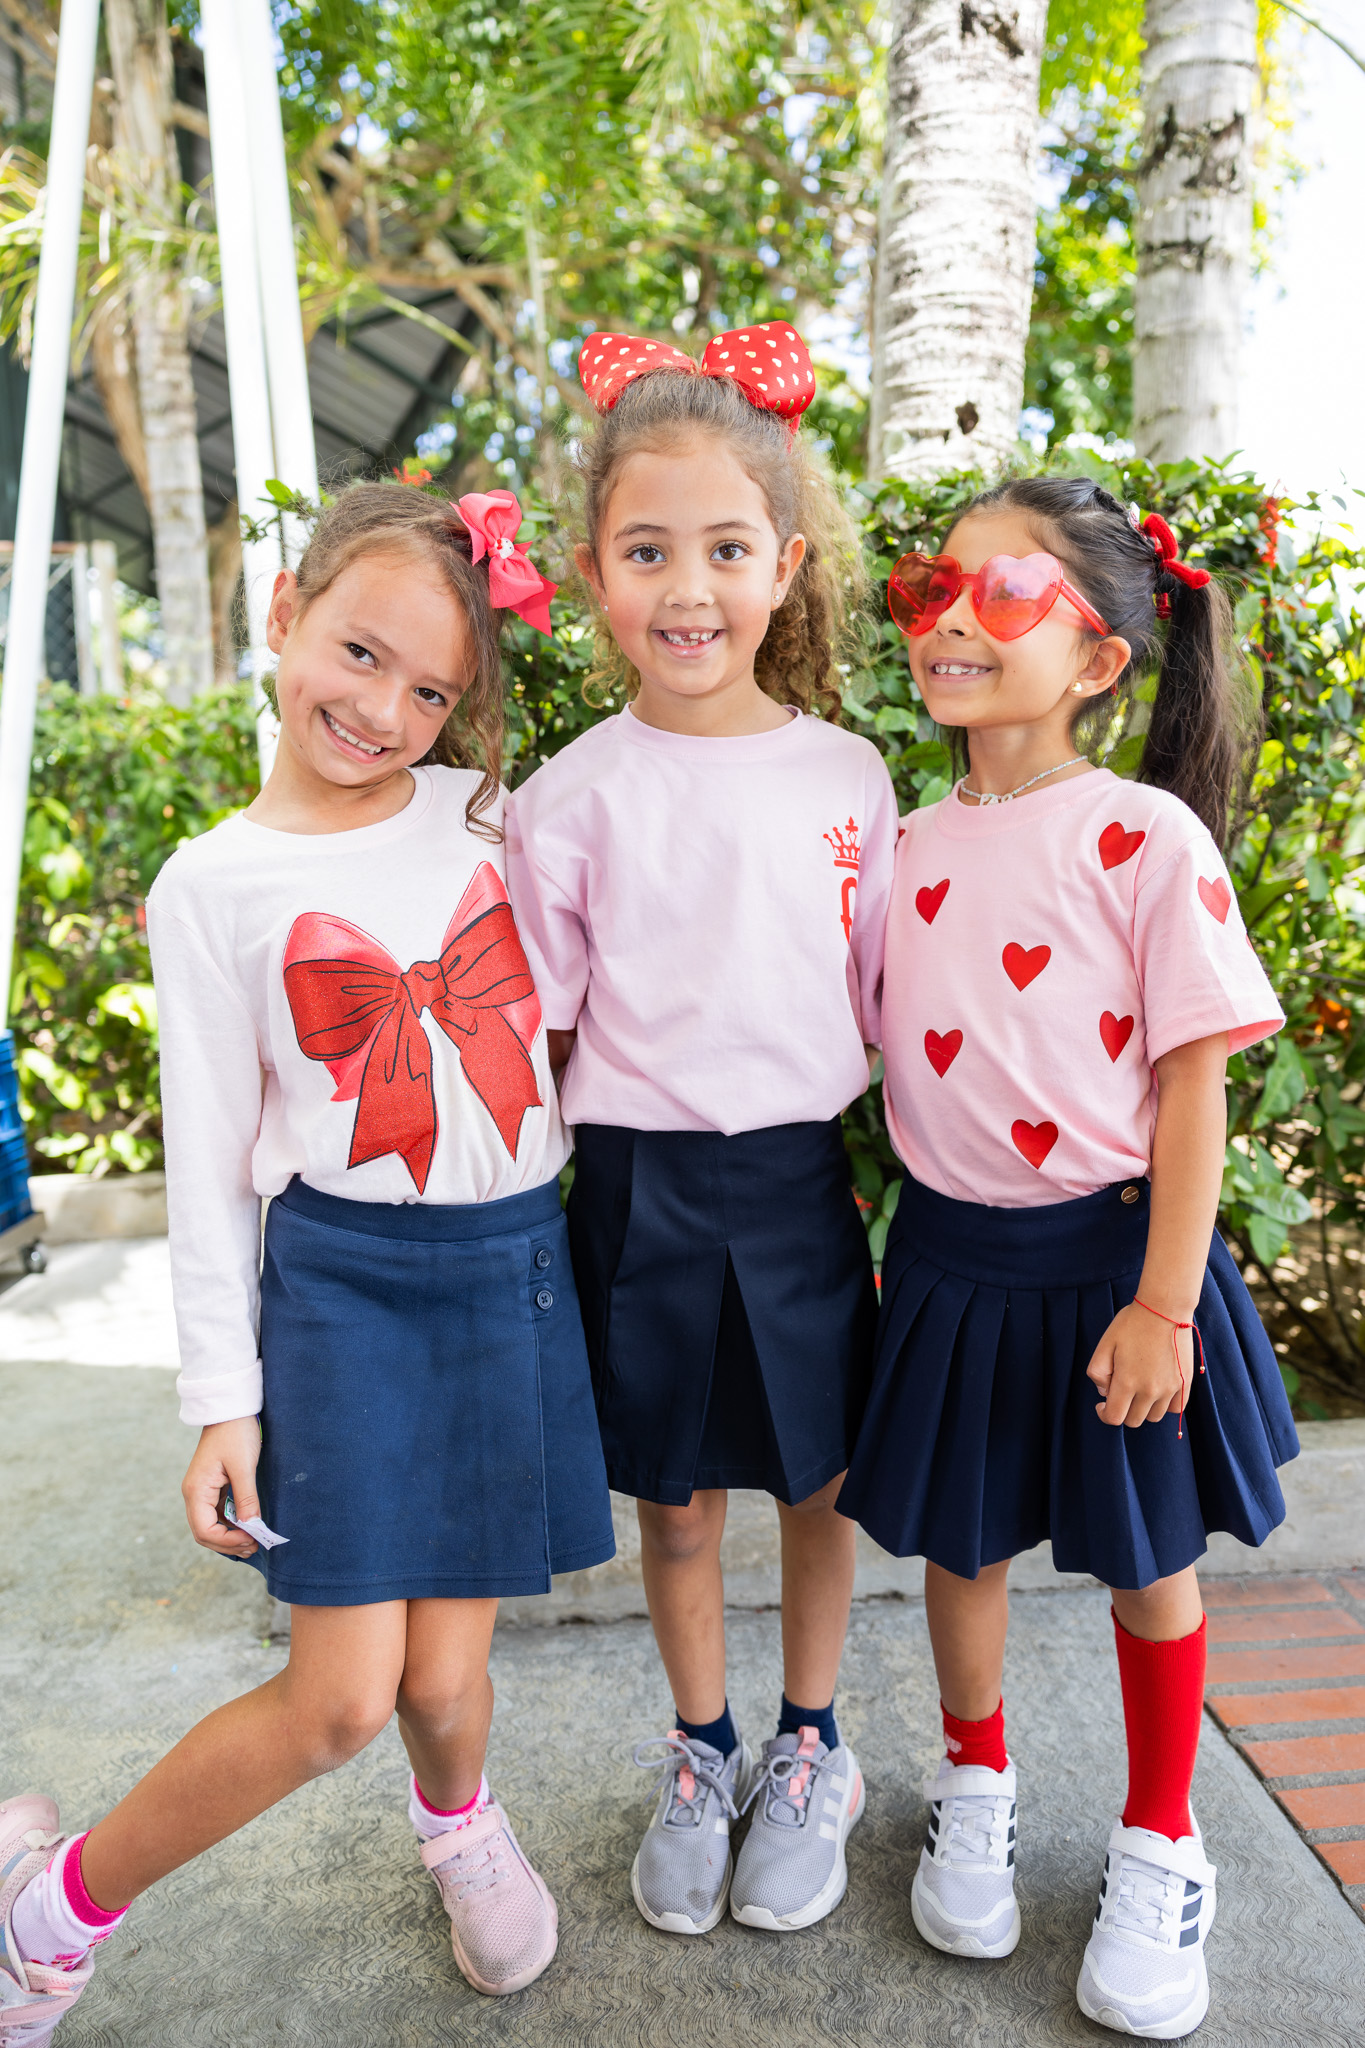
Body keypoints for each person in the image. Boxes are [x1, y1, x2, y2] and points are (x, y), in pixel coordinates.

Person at [0, 482, 614, 2036]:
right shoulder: (212, 885)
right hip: (343, 1294)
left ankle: (458, 1823)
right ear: (284, 613)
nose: (385, 711)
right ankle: (47, 1912)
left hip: (509, 1273)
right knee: (341, 1699)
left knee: (444, 1676)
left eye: (432, 692)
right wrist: (223, 1399)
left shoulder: (488, 817)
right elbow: (210, 1161)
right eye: (359, 654)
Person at [837, 476, 1298, 2039]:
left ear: (1098, 657)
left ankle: (1162, 1839)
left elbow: (1192, 1081)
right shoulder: (897, 846)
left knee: (1147, 1562)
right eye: (932, 588)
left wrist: (1165, 1302)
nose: (951, 619)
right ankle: (974, 1781)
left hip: (1115, 1270)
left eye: (1005, 592)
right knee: (958, 1545)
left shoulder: (1142, 836)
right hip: (949, 1261)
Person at [504, 324, 897, 1939]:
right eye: (647, 551)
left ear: (784, 566)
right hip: (637, 1188)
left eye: (727, 550)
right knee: (672, 1500)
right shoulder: (567, 797)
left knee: (818, 1483)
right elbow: (545, 1027)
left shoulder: (849, 778)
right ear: (594, 569)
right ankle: (703, 1746)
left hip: (797, 1182)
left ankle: (811, 1745)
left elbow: (882, 997)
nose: (688, 589)